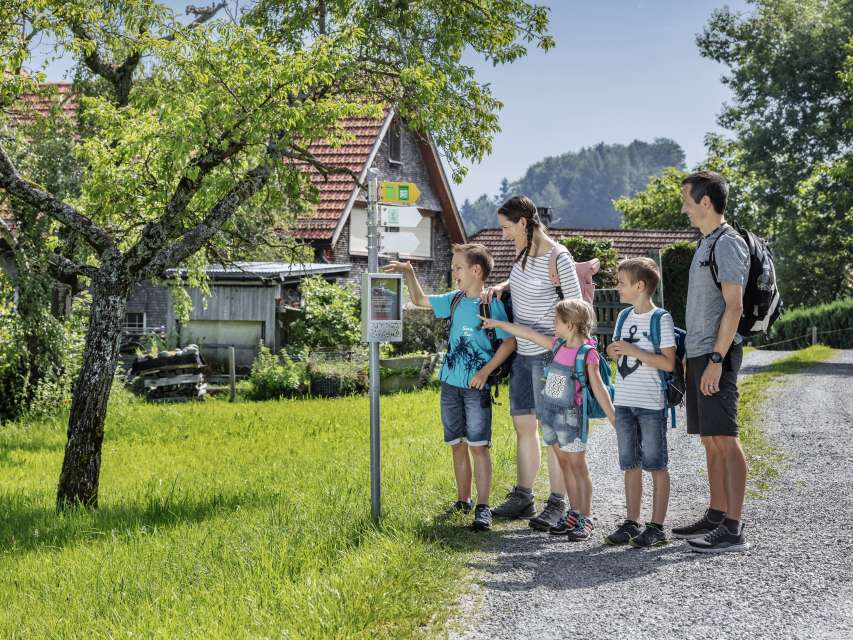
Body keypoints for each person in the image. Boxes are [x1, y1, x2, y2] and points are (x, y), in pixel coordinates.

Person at [383, 244, 516, 531]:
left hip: (476, 388)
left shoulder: (490, 303)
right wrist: (408, 272)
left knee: (479, 447)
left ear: (476, 271)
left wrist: (485, 371)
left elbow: (509, 342)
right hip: (450, 385)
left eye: (458, 268)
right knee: (457, 444)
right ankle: (463, 500)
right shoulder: (454, 300)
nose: (453, 272)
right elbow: (419, 300)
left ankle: (483, 508)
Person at [485, 196, 583, 532]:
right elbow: (526, 282)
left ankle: (558, 503)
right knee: (524, 426)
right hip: (523, 357)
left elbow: (578, 309)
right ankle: (524, 496)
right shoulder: (523, 254)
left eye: (506, 227)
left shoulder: (560, 258)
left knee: (554, 432)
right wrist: (502, 285)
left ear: (524, 224)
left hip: (552, 358)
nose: (503, 234)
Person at [481, 298, 615, 540]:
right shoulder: (557, 346)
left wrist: (615, 418)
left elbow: (600, 389)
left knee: (578, 468)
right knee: (565, 465)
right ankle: (573, 513)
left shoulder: (587, 354)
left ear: (571, 325)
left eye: (557, 321)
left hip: (571, 420)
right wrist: (498, 323)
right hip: (551, 417)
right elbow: (528, 333)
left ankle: (586, 517)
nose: (553, 324)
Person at [672, 171, 751, 553]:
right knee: (710, 439)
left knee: (726, 438)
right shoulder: (705, 243)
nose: (683, 207)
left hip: (718, 355)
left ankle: (733, 528)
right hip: (701, 354)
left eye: (687, 200)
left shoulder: (728, 243)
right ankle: (716, 514)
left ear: (706, 202)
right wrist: (692, 356)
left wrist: (718, 359)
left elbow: (734, 306)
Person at [604, 258, 676, 548]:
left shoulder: (661, 319)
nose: (617, 287)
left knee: (656, 464)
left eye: (621, 283)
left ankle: (656, 527)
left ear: (640, 286)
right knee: (630, 464)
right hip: (624, 402)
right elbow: (617, 352)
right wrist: (613, 351)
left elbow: (668, 363)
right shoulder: (623, 318)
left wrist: (633, 350)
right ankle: (631, 523)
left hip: (650, 404)